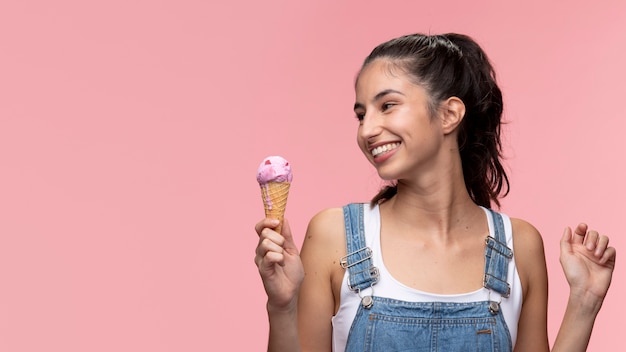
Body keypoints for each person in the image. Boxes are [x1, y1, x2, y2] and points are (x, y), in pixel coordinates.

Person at [254, 33, 616, 352]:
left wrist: (585, 301)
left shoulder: (518, 246)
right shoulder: (335, 237)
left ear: (449, 114)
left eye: (387, 106)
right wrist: (282, 308)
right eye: (361, 115)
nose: (367, 130)